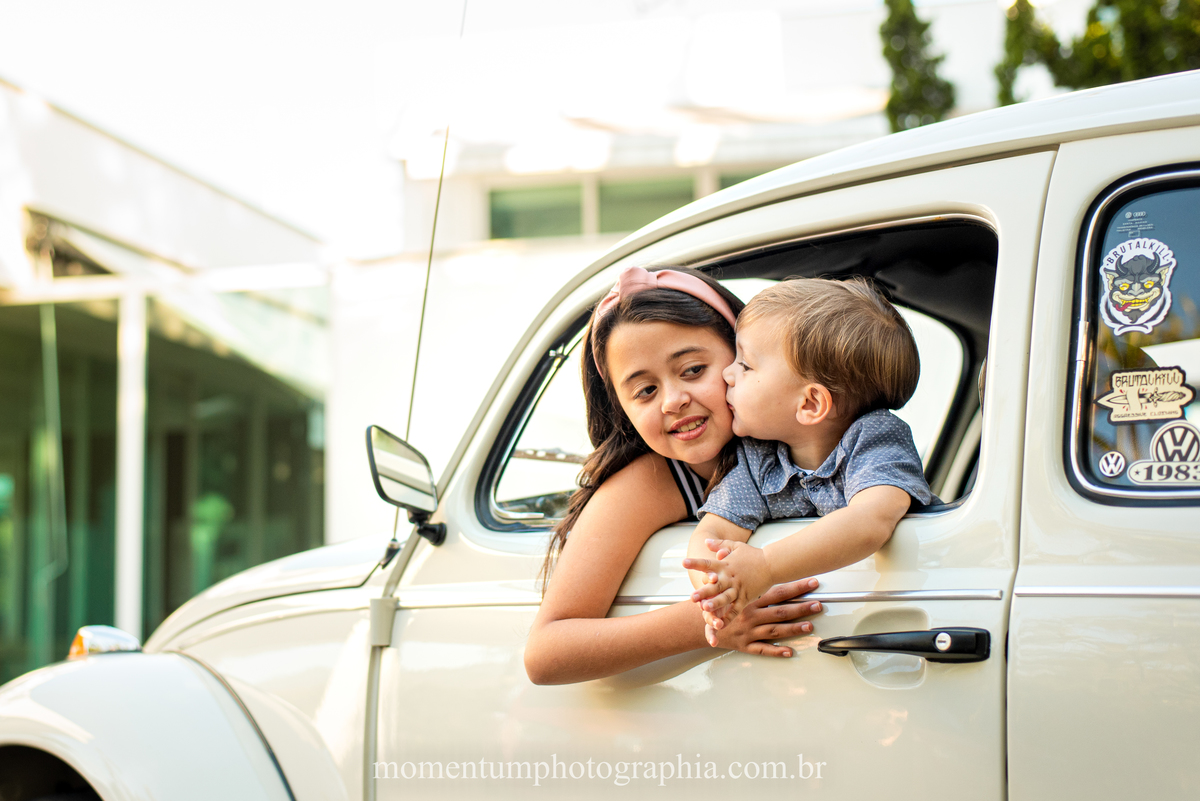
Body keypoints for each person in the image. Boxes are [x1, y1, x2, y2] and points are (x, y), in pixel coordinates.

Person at [523, 266, 823, 686]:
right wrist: (714, 620)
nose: (674, 401)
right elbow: (547, 652)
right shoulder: (650, 482)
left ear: (743, 357)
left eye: (693, 370)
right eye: (646, 391)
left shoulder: (811, 425)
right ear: (622, 410)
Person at [683, 277, 937, 641]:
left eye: (747, 365)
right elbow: (714, 534)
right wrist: (716, 590)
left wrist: (766, 566)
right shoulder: (760, 458)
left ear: (810, 404)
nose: (727, 372)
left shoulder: (875, 437)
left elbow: (871, 520)